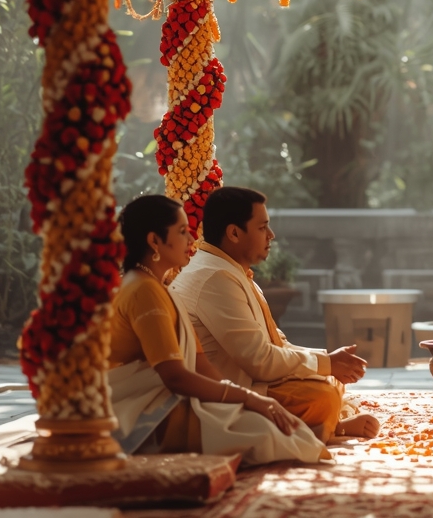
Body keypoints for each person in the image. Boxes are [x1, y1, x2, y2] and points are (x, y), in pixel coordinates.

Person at [106, 194, 329, 465]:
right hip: (145, 411)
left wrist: (242, 400)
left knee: (262, 420)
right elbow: (175, 378)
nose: (192, 240)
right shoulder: (143, 290)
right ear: (155, 241)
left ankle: (310, 433)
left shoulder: (158, 287)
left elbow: (201, 366)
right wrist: (248, 398)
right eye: (181, 231)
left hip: (171, 398)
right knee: (264, 433)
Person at [170, 186, 380, 441]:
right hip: (230, 393)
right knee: (322, 397)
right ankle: (332, 428)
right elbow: (259, 361)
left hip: (254, 380)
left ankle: (327, 425)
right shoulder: (215, 278)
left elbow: (277, 344)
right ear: (234, 233)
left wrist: (328, 360)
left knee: (329, 380)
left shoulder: (229, 270)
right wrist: (326, 364)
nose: (271, 235)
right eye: (262, 228)